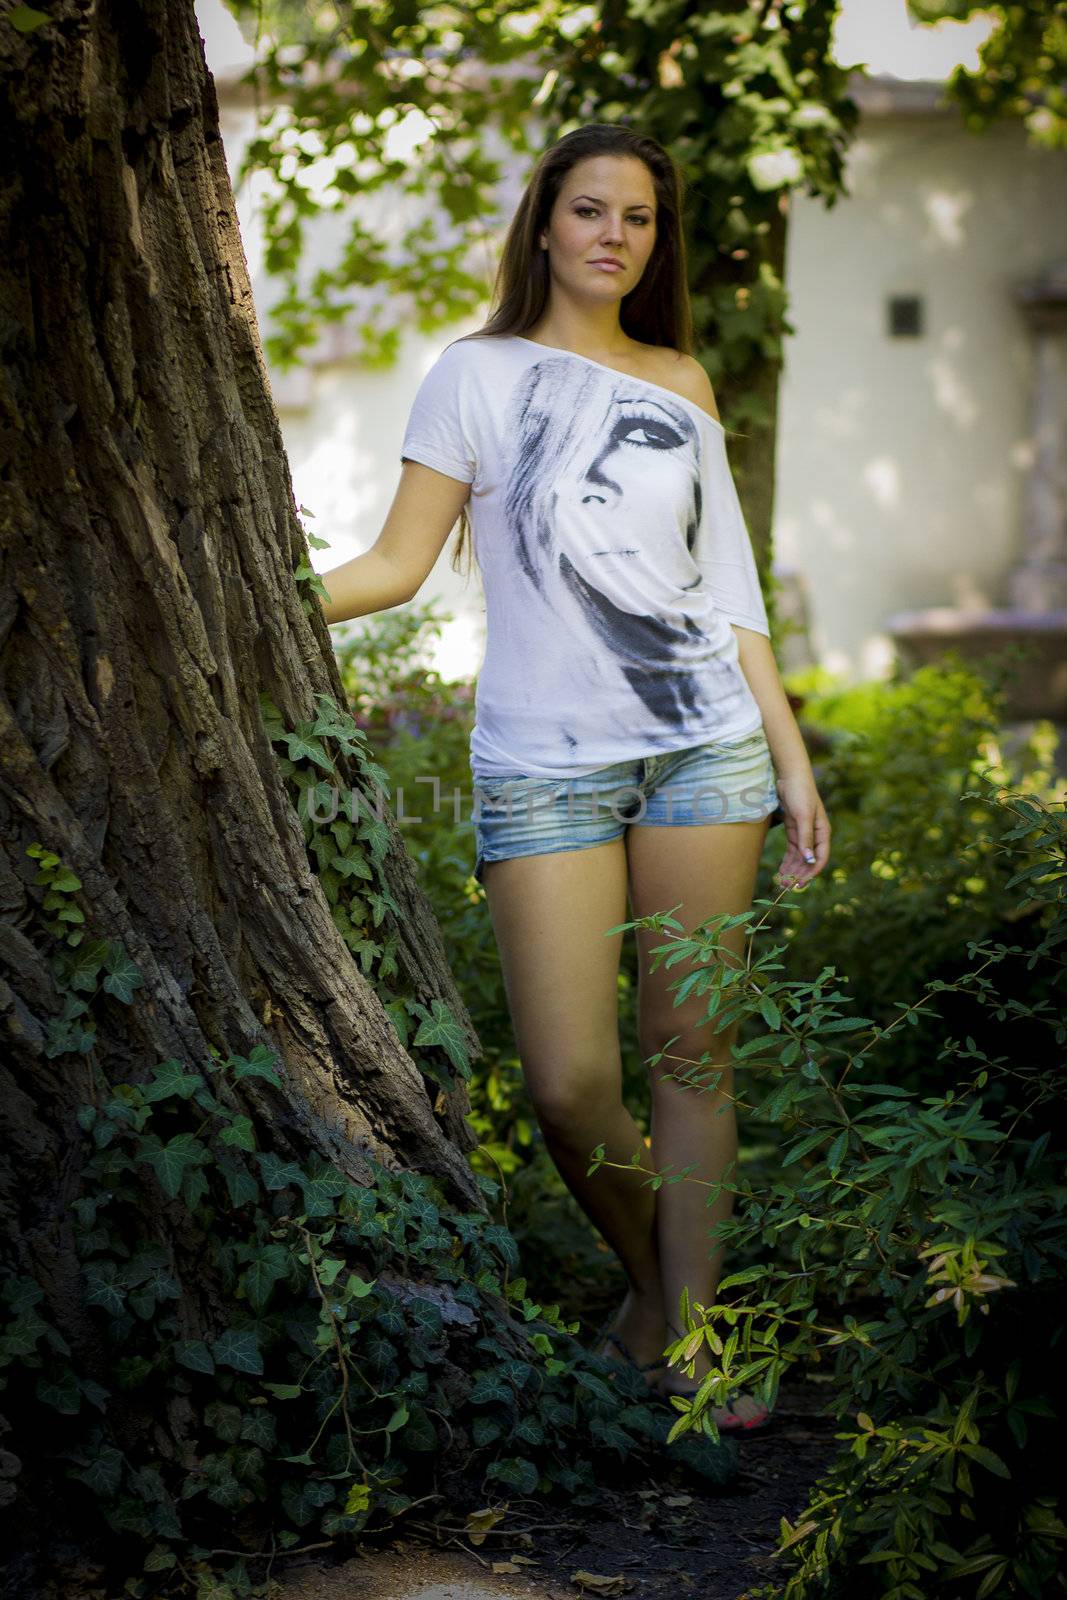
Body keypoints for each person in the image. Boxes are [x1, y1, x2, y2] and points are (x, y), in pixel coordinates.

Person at [320, 123, 831, 1434]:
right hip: (543, 765)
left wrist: (788, 754)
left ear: (656, 240)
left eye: (641, 218)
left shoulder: (685, 380)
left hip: (703, 749)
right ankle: (656, 1288)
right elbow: (396, 565)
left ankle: (695, 1337)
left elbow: (730, 596)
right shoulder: (476, 375)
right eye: (592, 210)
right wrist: (245, 603)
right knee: (568, 1086)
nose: (615, 235)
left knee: (693, 1053)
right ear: (544, 221)